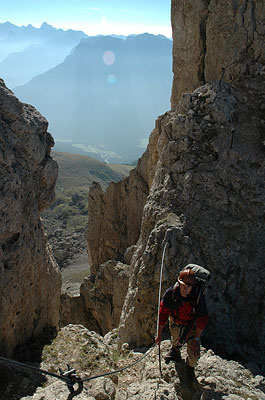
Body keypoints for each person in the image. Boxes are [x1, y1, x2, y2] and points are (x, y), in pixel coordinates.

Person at [155, 267, 209, 380]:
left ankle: (190, 368)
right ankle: (175, 351)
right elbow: (163, 313)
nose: (185, 289)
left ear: (192, 287)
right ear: (178, 283)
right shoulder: (171, 293)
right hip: (175, 322)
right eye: (183, 286)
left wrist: (197, 339)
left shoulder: (198, 297)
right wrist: (159, 334)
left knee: (194, 353)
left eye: (188, 287)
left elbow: (202, 319)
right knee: (176, 341)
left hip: (191, 326)